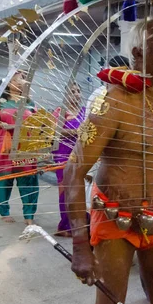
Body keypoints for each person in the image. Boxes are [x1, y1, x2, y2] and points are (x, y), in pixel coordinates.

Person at [64, 17, 153, 304]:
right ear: (138, 53)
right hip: (116, 218)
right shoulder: (116, 102)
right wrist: (81, 245)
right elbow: (73, 170)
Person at [0, 72, 39, 225]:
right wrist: (0, 125)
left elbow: (38, 123)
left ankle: (29, 214)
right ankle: (4, 211)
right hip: (5, 146)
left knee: (28, 179)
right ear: (9, 83)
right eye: (18, 79)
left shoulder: (30, 103)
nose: (22, 82)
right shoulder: (1, 102)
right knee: (4, 179)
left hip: (26, 145)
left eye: (24, 79)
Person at [53, 82, 86, 237]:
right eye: (73, 91)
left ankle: (80, 223)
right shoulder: (60, 112)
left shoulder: (85, 112)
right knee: (65, 189)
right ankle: (65, 226)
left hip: (82, 153)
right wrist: (75, 131)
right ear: (66, 94)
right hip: (63, 154)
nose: (77, 94)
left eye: (78, 90)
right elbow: (54, 132)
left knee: (80, 189)